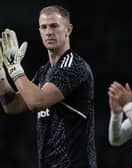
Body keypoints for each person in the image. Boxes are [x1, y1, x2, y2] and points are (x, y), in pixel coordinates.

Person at [0, 5, 97, 168]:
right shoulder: (44, 71)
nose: (48, 32)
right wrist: (1, 75)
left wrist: (13, 67)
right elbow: (12, 105)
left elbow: (37, 101)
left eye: (54, 26)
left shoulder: (74, 66)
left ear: (68, 29)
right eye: (43, 27)